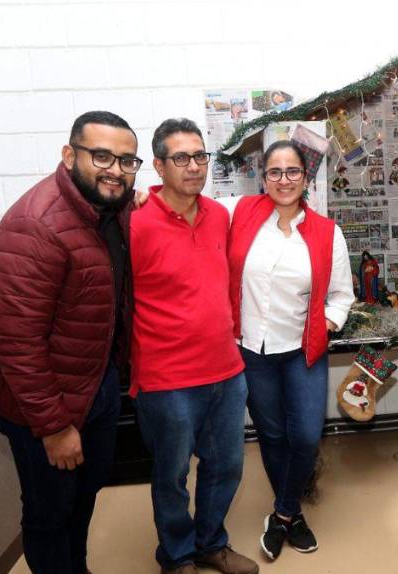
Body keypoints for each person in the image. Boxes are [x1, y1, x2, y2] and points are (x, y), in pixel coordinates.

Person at [0, 111, 141, 573]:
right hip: (40, 405)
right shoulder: (34, 227)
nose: (115, 170)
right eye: (102, 156)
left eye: (126, 161)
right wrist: (54, 428)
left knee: (84, 495)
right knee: (50, 512)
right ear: (69, 155)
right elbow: (18, 345)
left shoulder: (108, 207)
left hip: (93, 382)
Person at [130, 118, 258, 574]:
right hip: (166, 378)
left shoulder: (218, 216)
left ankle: (210, 544)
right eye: (180, 158)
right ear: (159, 165)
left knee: (227, 466)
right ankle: (177, 555)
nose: (193, 166)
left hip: (226, 369)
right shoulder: (134, 221)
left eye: (200, 156)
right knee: (172, 476)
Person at [217, 141, 354, 560]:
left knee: (307, 436)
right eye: (274, 172)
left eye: (292, 171)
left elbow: (341, 295)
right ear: (263, 178)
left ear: (305, 177)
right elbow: (191, 207)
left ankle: (282, 514)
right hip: (251, 350)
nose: (284, 180)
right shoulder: (239, 212)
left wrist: (327, 323)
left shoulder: (327, 232)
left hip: (300, 349)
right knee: (273, 435)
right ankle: (291, 516)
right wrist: (147, 197)